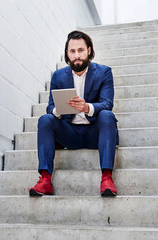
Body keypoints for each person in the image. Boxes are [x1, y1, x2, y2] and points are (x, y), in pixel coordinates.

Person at [29, 30, 119, 197]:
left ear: (89, 51)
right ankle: (45, 180)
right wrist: (60, 109)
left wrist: (87, 108)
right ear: (67, 54)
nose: (77, 55)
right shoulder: (58, 76)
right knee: (45, 119)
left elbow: (107, 103)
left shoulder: (104, 72)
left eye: (81, 50)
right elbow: (50, 107)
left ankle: (107, 178)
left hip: (95, 133)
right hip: (69, 133)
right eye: (72, 51)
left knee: (107, 116)